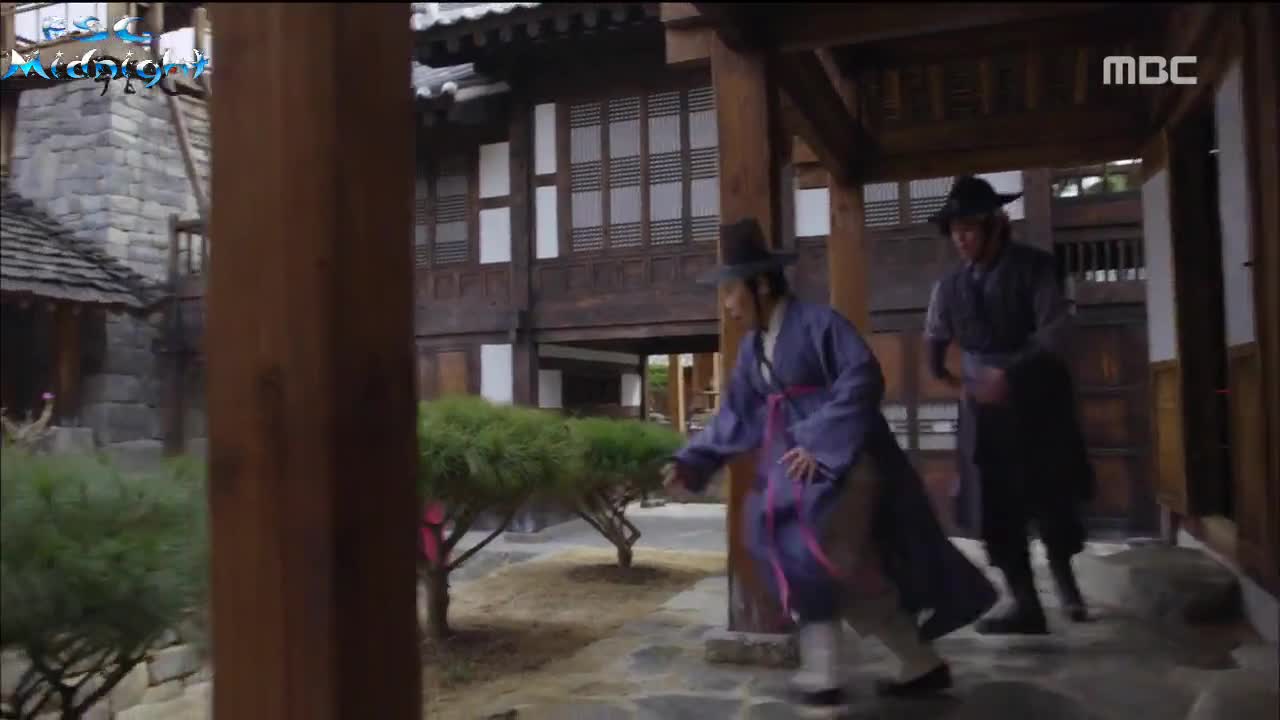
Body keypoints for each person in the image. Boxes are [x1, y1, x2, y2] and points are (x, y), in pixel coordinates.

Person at [662, 219, 998, 711]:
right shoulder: (753, 350)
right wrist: (693, 460)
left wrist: (820, 442)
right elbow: (737, 414)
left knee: (805, 544)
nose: (728, 305)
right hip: (796, 472)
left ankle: (822, 672)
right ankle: (920, 663)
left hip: (844, 464)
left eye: (731, 291)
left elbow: (862, 377)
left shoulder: (820, 324)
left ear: (761, 285)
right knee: (848, 569)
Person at [923, 175, 1096, 635]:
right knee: (996, 508)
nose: (961, 238)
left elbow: (1055, 331)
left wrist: (1011, 375)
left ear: (996, 224)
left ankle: (1065, 580)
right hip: (985, 410)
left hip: (1040, 400)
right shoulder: (949, 287)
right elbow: (934, 344)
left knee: (1053, 498)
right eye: (955, 230)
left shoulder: (1036, 268)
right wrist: (957, 384)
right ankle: (1025, 603)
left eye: (969, 228)